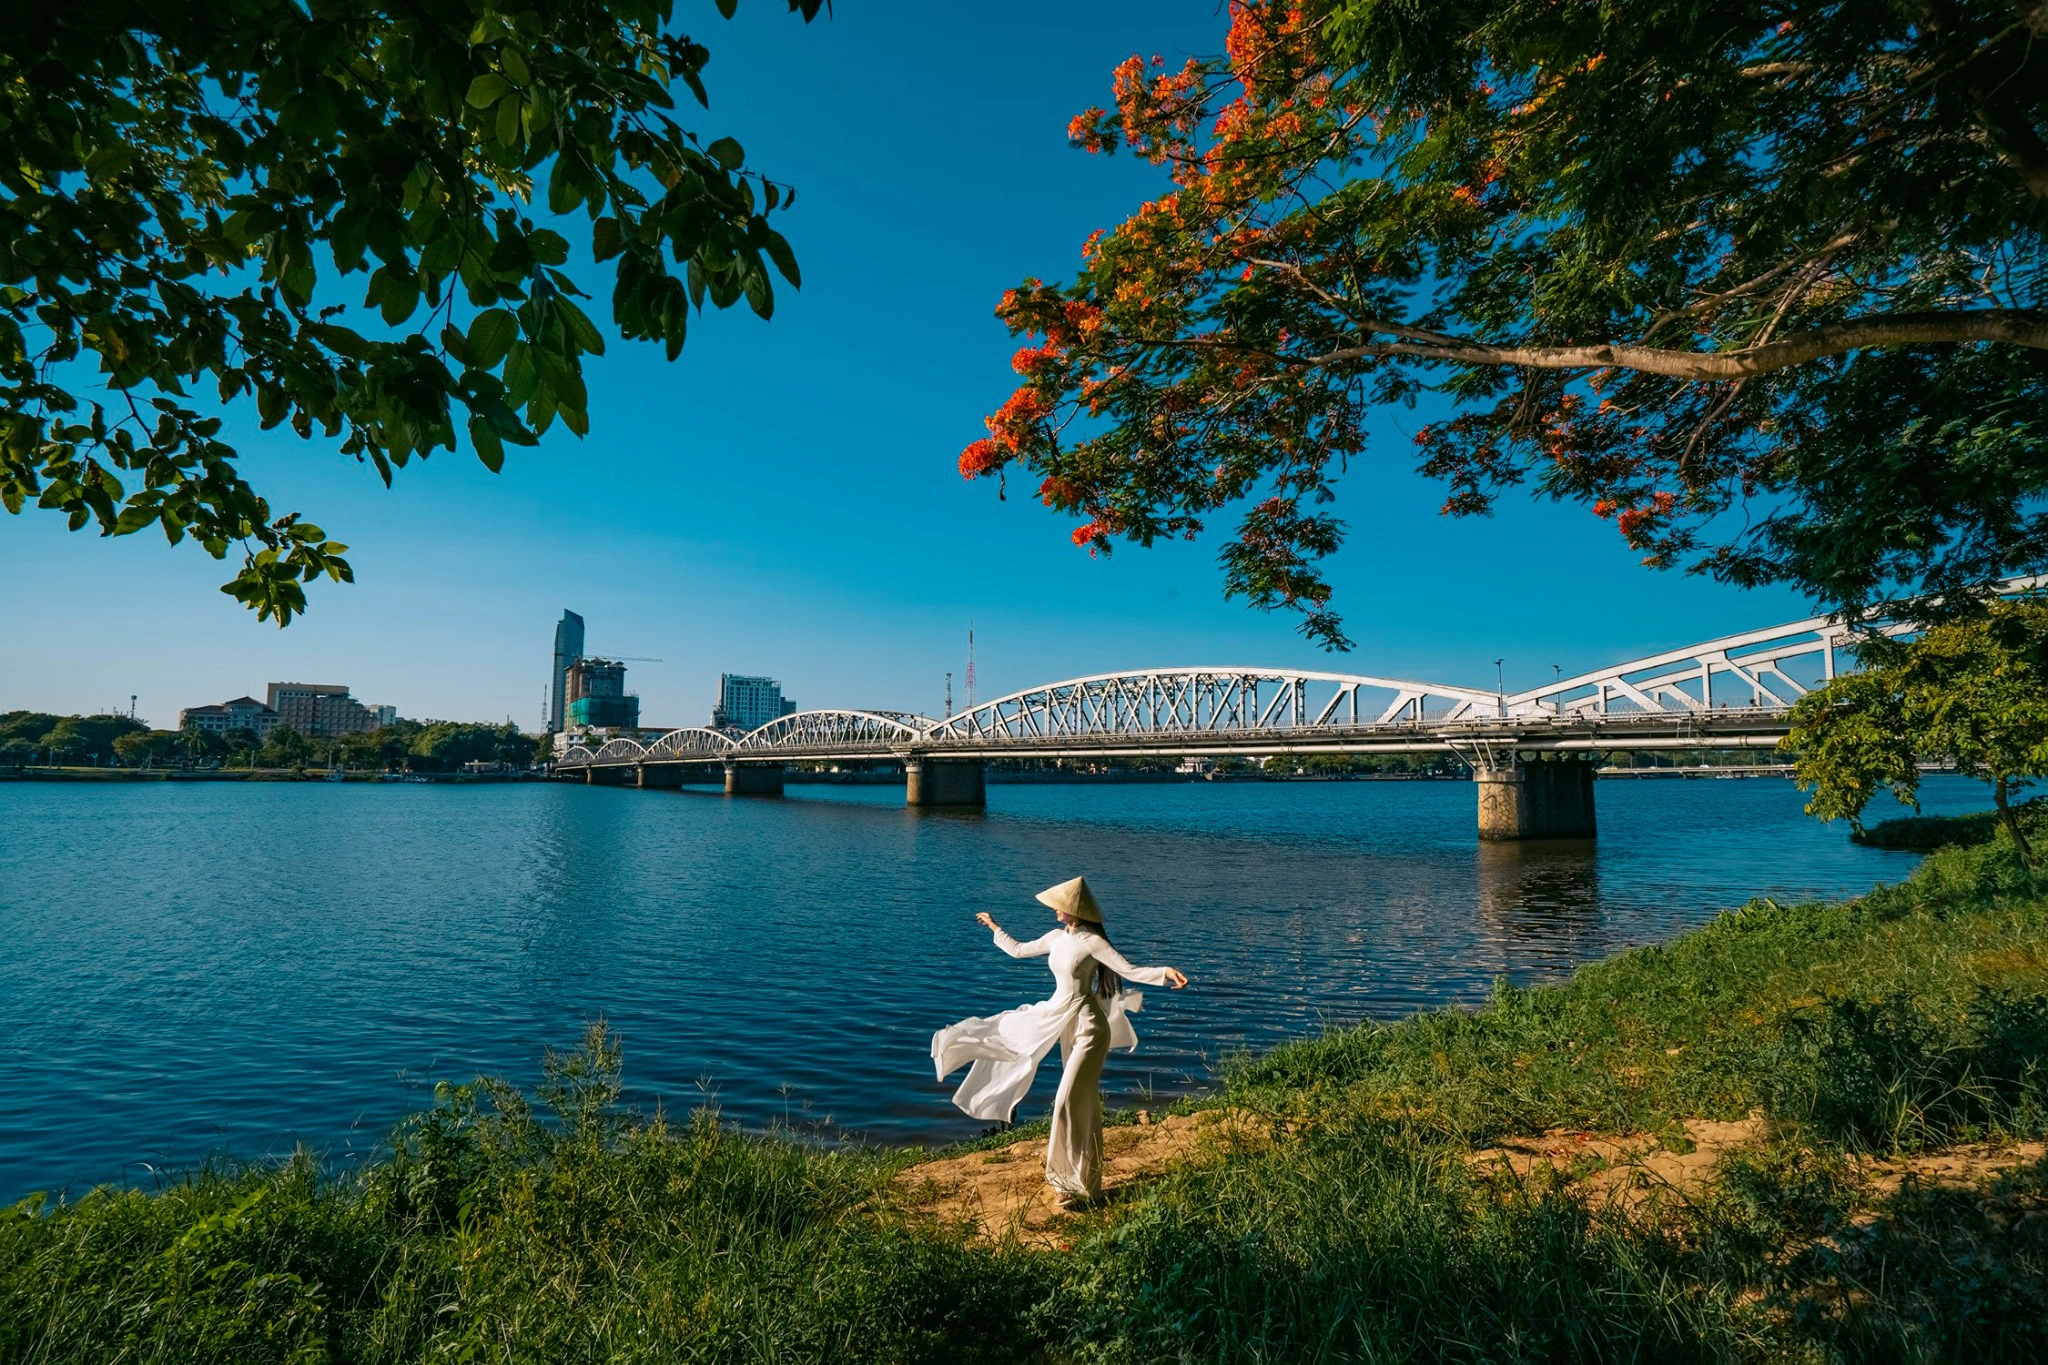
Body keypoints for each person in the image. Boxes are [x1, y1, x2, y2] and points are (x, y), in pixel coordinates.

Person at [931, 875, 1189, 1207]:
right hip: (1064, 1021)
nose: (1055, 911)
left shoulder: (1092, 943)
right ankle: (1085, 1183)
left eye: (1059, 907)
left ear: (1074, 911)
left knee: (1067, 1101)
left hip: (1090, 1030)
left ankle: (1066, 1182)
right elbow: (1019, 950)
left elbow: (1129, 970)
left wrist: (1164, 971)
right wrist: (995, 928)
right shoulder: (1056, 937)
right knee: (1082, 1103)